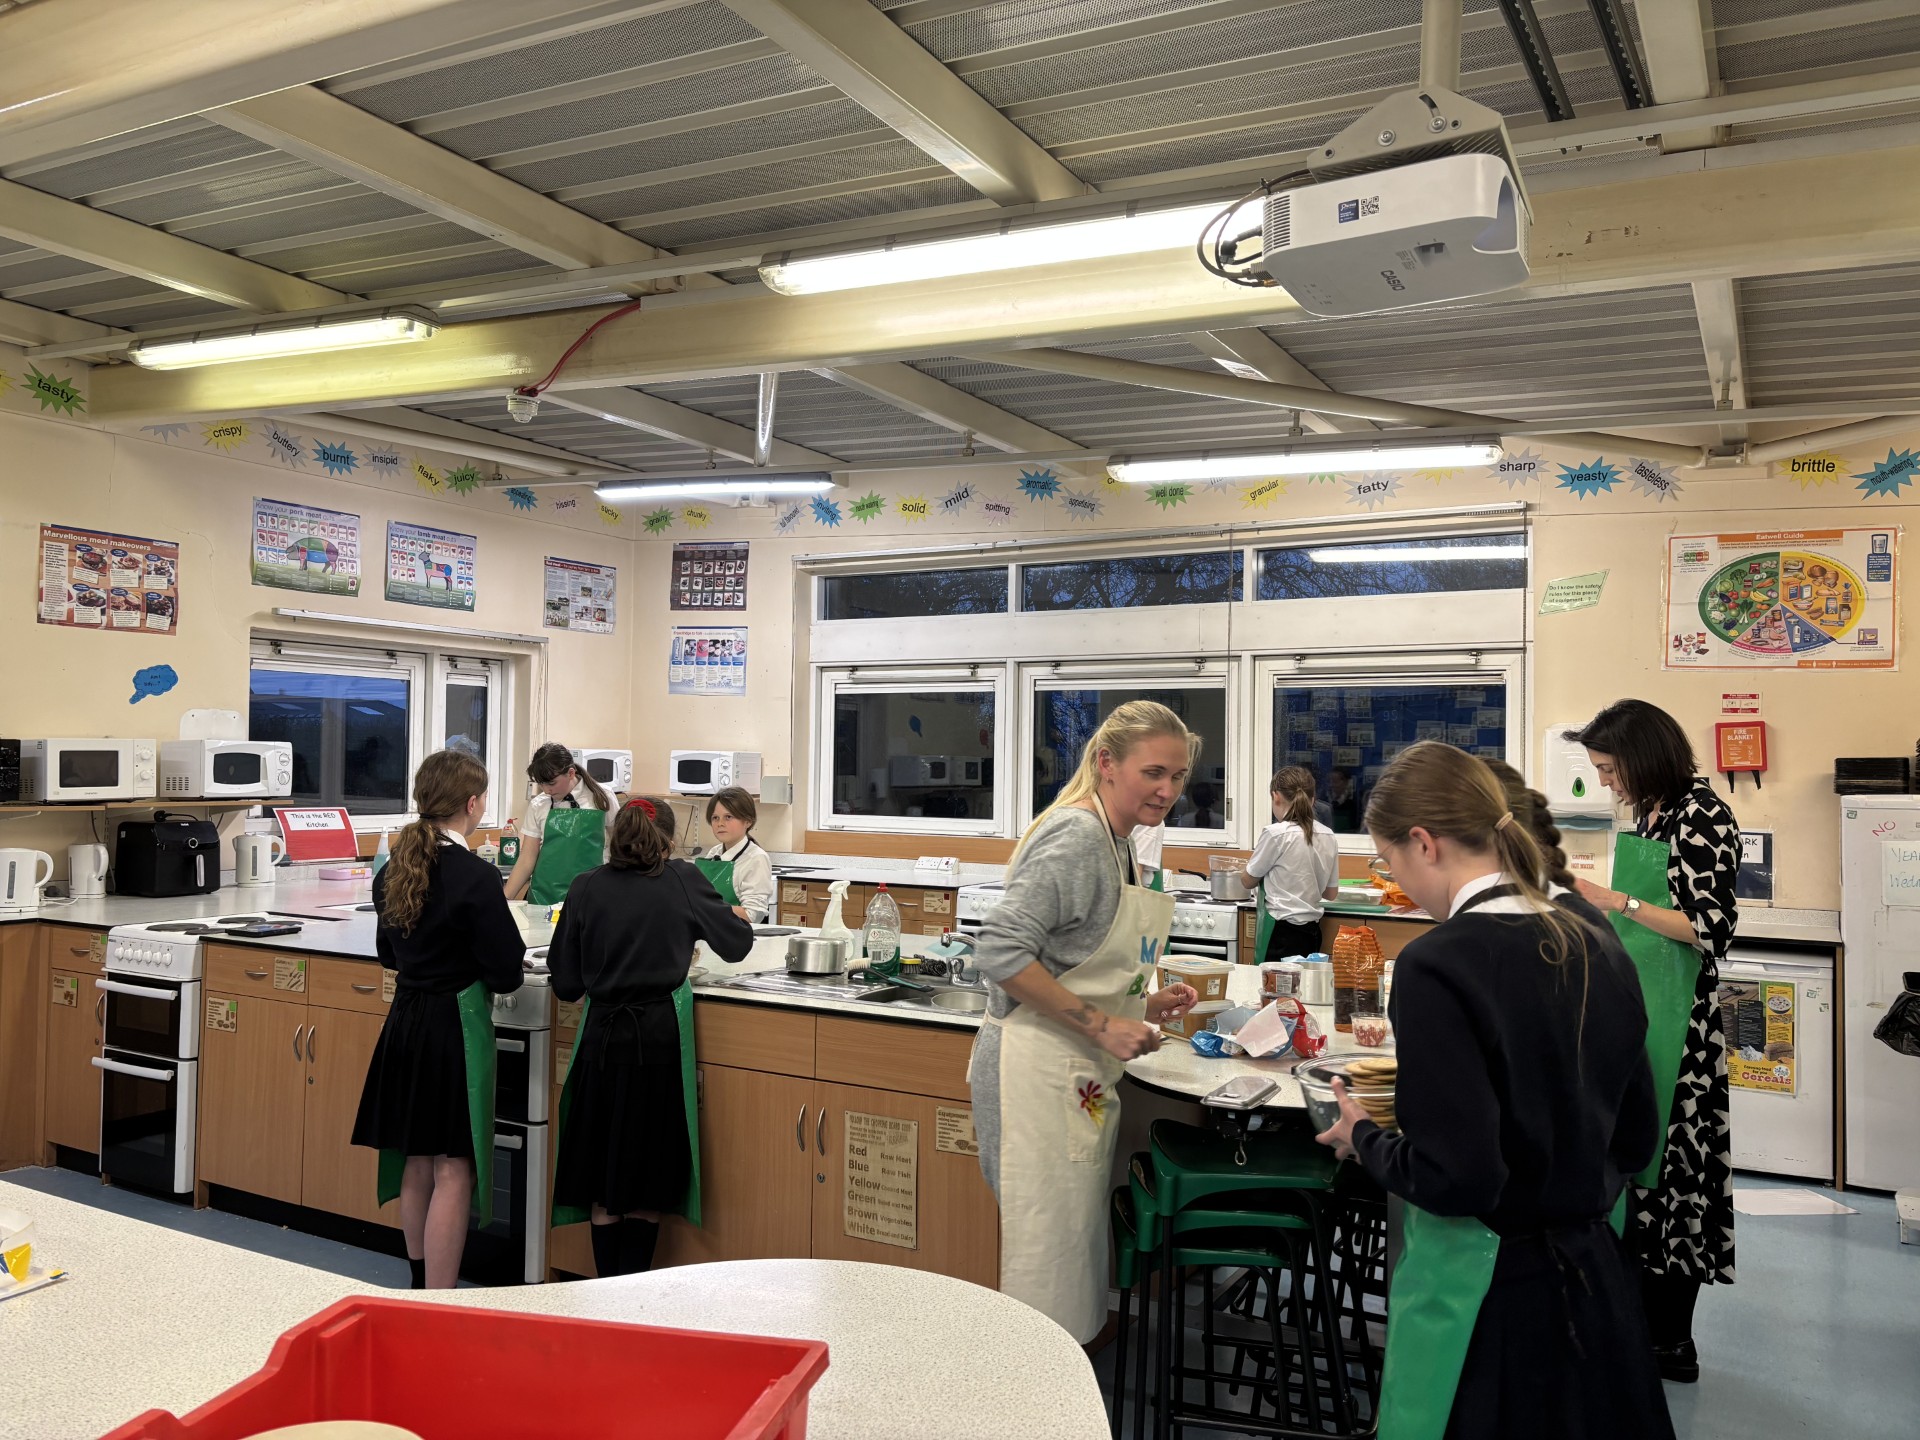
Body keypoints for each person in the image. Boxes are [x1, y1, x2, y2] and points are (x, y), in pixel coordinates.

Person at [1315, 742, 1672, 1440]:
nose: (1400, 885)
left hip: (1490, 1302)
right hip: (1597, 1290)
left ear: (1425, 842)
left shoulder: (1439, 964)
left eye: (1391, 864)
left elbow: (1460, 1179)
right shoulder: (1595, 937)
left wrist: (1361, 1134)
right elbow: (1636, 1137)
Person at [968, 701, 1201, 1345]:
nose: (1167, 790)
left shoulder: (1117, 841)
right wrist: (1102, 1026)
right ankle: (1035, 1404)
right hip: (1033, 1075)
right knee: (1043, 1254)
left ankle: (1062, 1385)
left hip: (1076, 1081)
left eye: (1178, 777)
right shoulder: (1076, 837)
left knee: (1070, 1246)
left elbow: (1074, 962)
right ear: (1105, 763)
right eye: (1154, 772)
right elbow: (1001, 951)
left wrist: (1143, 1007)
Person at [1567, 699, 1739, 1384]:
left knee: (1677, 1179)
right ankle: (1635, 1325)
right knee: (1642, 1176)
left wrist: (1617, 902)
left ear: (1643, 756)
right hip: (1645, 1011)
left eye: (1610, 769)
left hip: (1685, 1028)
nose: (1607, 783)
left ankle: (1672, 1340)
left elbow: (1708, 926)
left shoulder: (1703, 814)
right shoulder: (1656, 811)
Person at [548, 798, 755, 1276]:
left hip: (601, 1042)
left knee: (605, 1179)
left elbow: (567, 982)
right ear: (668, 838)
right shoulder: (683, 879)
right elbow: (736, 945)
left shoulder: (586, 886)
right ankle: (633, 1303)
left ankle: (604, 1296)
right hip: (657, 1045)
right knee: (646, 1181)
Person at [351, 749, 523, 1289]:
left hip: (405, 1022)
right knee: (455, 1168)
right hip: (454, 1030)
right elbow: (506, 971)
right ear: (472, 805)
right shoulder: (474, 875)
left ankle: (418, 1282)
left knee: (418, 1159)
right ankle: (441, 1301)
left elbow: (387, 954)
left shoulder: (393, 868)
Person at [1238, 765, 1339, 962]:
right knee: (1303, 989)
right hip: (1312, 932)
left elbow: (1247, 880)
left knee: (1276, 990)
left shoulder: (1276, 834)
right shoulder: (1328, 835)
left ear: (1276, 797)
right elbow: (1330, 893)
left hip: (1280, 933)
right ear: (1313, 800)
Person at [504, 743, 614, 904]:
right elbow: (528, 857)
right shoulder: (539, 804)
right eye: (540, 784)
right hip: (545, 895)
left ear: (570, 773)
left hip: (591, 894)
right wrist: (504, 898)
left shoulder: (602, 797)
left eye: (551, 783)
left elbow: (618, 844)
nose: (546, 789)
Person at [700, 786, 775, 922]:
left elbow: (752, 914)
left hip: (739, 936)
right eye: (715, 818)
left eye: (728, 817)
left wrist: (708, 908)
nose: (720, 824)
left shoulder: (756, 858)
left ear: (748, 821)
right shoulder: (714, 852)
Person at [1327, 767, 1364, 832]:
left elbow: (1357, 826)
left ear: (1346, 782)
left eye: (1335, 781)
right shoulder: (1324, 799)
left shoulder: (1355, 802)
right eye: (1330, 781)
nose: (1332, 785)